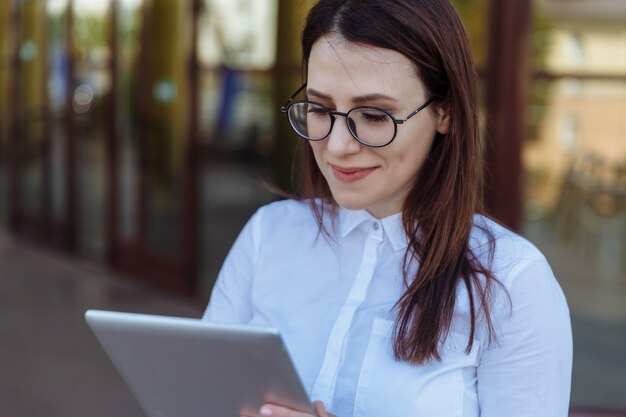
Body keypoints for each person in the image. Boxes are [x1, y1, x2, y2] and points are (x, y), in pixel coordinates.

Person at [203, 0, 573, 416]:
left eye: (375, 116)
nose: (339, 146)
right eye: (321, 109)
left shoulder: (510, 283)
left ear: (444, 110)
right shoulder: (267, 237)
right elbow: (196, 396)